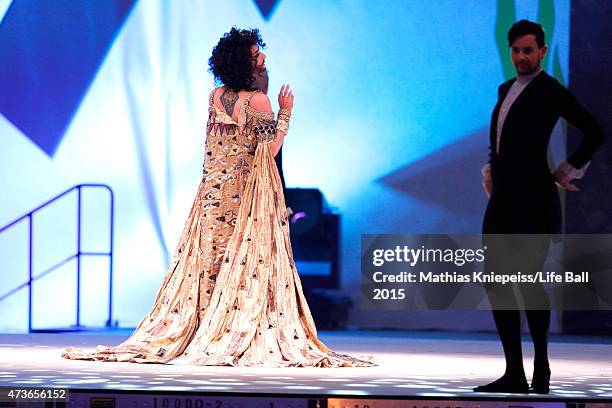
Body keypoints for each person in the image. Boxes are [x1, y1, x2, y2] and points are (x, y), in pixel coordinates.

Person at [63, 27, 373, 368]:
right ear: (246, 61)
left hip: (213, 196)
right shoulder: (258, 100)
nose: (264, 56)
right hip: (245, 198)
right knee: (246, 262)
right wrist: (285, 113)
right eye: (258, 54)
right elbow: (267, 152)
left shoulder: (216, 95)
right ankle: (233, 328)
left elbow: (218, 145)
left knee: (212, 263)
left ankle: (203, 328)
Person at [475, 20, 604, 393]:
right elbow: (502, 138)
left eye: (528, 50)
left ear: (542, 52)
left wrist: (569, 167)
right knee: (498, 283)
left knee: (527, 283)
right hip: (502, 201)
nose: (521, 57)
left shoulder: (549, 90)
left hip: (533, 200)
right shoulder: (505, 88)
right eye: (516, 50)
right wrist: (491, 167)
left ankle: (542, 370)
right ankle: (514, 372)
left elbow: (594, 130)